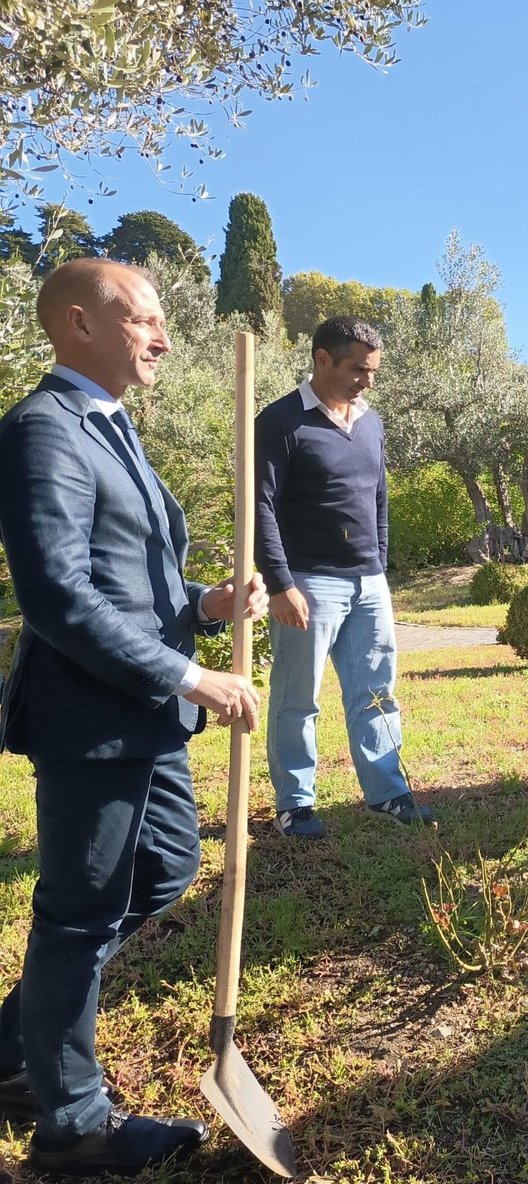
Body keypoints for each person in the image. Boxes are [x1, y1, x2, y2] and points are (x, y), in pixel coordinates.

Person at [0, 259, 268, 1175]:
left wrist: (205, 605)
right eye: (146, 319)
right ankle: (71, 1127)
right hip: (92, 720)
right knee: (77, 918)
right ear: (80, 323)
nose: (164, 337)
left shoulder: (109, 428)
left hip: (142, 714)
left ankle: (14, 1046)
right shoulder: (44, 429)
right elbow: (57, 596)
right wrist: (190, 675)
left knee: (164, 866)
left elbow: (127, 581)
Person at [256, 316, 433, 839]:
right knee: (297, 698)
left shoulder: (370, 422)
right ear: (322, 359)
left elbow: (378, 497)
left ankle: (388, 793)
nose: (368, 381)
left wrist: (380, 563)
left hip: (368, 583)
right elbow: (261, 507)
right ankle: (295, 804)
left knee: (376, 692)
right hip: (308, 583)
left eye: (373, 370)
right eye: (358, 369)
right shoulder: (280, 421)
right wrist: (280, 584)